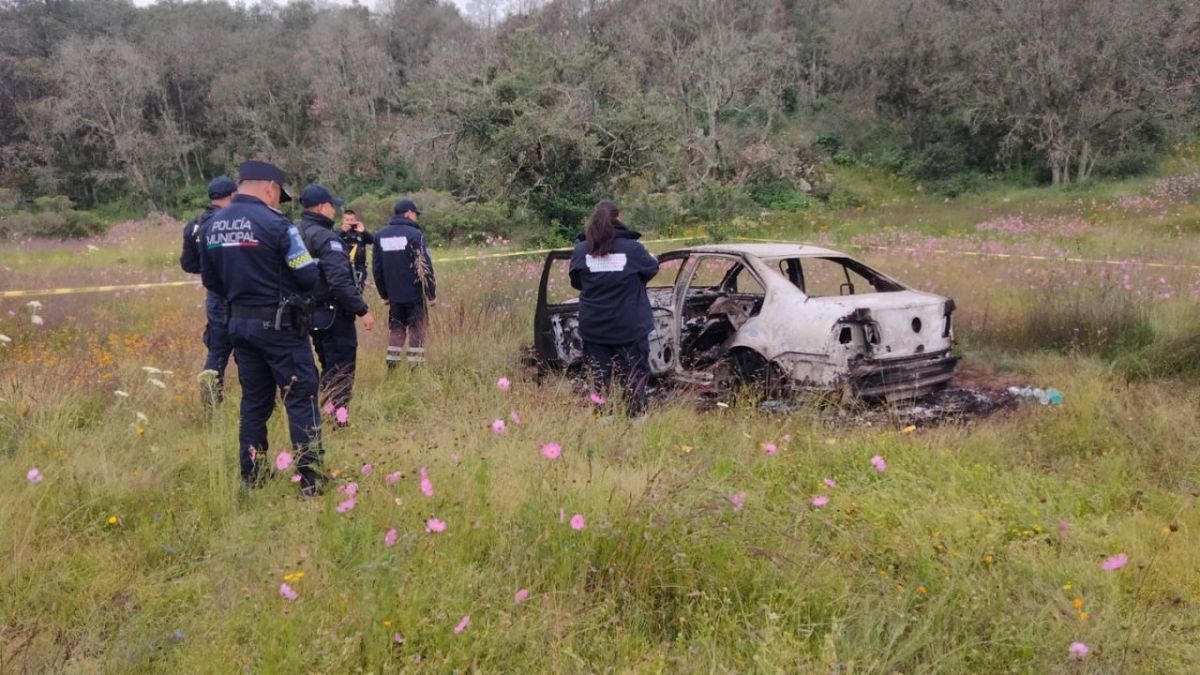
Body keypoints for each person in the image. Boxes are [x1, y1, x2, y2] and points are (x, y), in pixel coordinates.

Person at [199, 160, 324, 495]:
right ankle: (310, 480)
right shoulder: (277, 225)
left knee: (254, 402)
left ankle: (252, 476)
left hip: (237, 325)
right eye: (277, 195)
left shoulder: (212, 225)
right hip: (281, 327)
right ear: (270, 187)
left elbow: (210, 280)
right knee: (300, 396)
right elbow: (307, 275)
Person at [569, 200, 659, 418]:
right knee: (634, 375)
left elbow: (576, 282)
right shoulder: (633, 249)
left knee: (599, 377)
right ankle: (635, 418)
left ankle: (602, 418)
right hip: (630, 327)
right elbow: (651, 270)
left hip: (595, 328)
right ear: (618, 218)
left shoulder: (581, 250)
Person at [297, 185, 376, 423]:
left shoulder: (296, 233)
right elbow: (340, 283)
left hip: (309, 313)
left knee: (327, 367)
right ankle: (338, 421)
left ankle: (327, 412)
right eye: (332, 206)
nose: (334, 211)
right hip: (333, 315)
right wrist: (362, 310)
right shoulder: (326, 238)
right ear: (322, 207)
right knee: (341, 369)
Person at [179, 175, 237, 410]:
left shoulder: (194, 225)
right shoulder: (233, 222)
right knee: (248, 352)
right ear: (232, 195)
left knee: (217, 353)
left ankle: (211, 406)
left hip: (214, 297)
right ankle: (259, 405)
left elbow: (188, 265)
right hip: (239, 295)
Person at [373, 199, 436, 368]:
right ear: (409, 213)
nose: (416, 218)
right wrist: (431, 294)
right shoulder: (415, 235)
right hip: (414, 293)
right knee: (417, 329)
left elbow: (377, 268)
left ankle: (392, 366)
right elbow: (425, 266)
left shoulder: (380, 235)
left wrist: (384, 294)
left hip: (394, 295)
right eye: (415, 214)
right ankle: (415, 368)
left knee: (396, 329)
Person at [339, 209, 374, 291]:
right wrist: (341, 231)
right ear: (343, 220)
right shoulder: (339, 232)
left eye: (352, 220)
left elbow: (372, 240)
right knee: (345, 290)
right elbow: (331, 241)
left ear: (356, 220)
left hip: (359, 266)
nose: (349, 222)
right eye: (347, 220)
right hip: (343, 266)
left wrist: (364, 231)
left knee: (359, 290)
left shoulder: (360, 232)